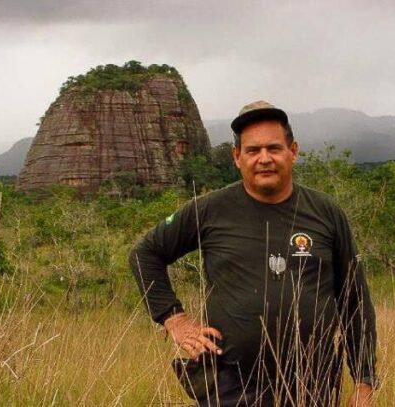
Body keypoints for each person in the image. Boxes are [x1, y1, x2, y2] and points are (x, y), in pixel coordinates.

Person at [130, 100, 378, 406]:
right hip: (231, 385)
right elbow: (145, 253)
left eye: (274, 148)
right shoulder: (210, 210)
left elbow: (355, 300)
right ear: (237, 157)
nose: (264, 158)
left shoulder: (326, 212)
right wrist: (175, 319)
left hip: (314, 382)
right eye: (253, 150)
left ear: (293, 152)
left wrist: (364, 382)